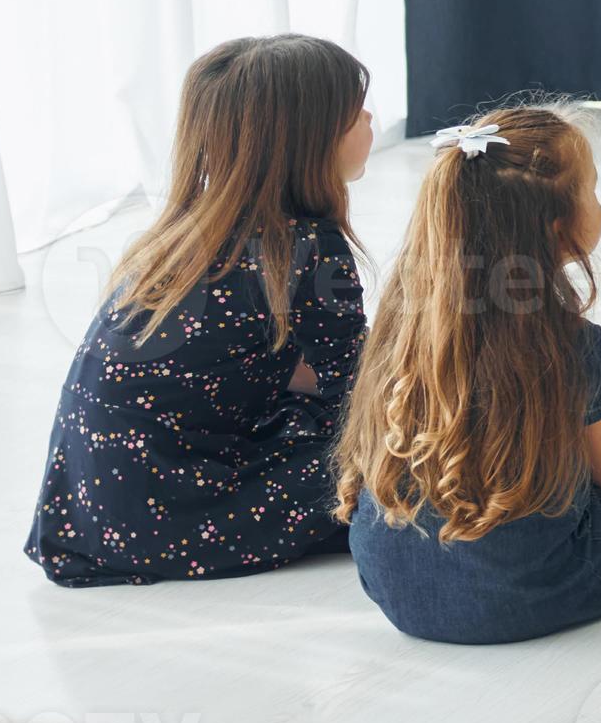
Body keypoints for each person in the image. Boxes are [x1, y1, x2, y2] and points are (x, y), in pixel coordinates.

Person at [335, 105, 601, 644]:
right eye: (593, 190)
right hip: (531, 590)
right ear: (556, 226)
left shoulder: (397, 328)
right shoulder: (574, 348)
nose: (598, 202)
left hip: (399, 590)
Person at [26, 35, 376, 586]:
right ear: (312, 142)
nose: (372, 118)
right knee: (411, 460)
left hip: (93, 510)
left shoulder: (190, 230)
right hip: (172, 517)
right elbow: (364, 395)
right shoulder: (308, 246)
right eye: (354, 113)